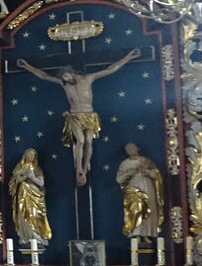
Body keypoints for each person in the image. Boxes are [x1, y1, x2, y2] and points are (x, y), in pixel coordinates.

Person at [18, 49, 140, 186]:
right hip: (74, 115)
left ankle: (86, 165)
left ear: (72, 72)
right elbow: (44, 76)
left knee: (88, 141)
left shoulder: (88, 78)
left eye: (67, 76)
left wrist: (128, 57)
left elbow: (110, 69)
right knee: (80, 141)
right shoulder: (63, 84)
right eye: (64, 78)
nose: (66, 79)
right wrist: (27, 66)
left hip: (89, 115)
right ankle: (79, 168)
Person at [116, 141, 164, 239]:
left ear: (137, 148)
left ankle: (147, 234)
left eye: (132, 148)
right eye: (128, 149)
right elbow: (119, 179)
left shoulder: (145, 161)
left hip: (146, 185)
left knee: (149, 208)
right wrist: (129, 173)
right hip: (133, 187)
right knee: (136, 209)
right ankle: (136, 233)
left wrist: (146, 172)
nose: (130, 151)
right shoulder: (125, 163)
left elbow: (155, 175)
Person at [9, 148, 52, 248]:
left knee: (35, 215)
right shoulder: (19, 167)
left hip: (35, 197)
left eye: (33, 155)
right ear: (25, 155)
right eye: (29, 154)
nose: (31, 157)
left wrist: (31, 177)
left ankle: (37, 236)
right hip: (22, 197)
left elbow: (41, 183)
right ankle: (27, 236)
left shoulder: (37, 169)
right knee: (24, 215)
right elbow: (14, 182)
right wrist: (25, 177)